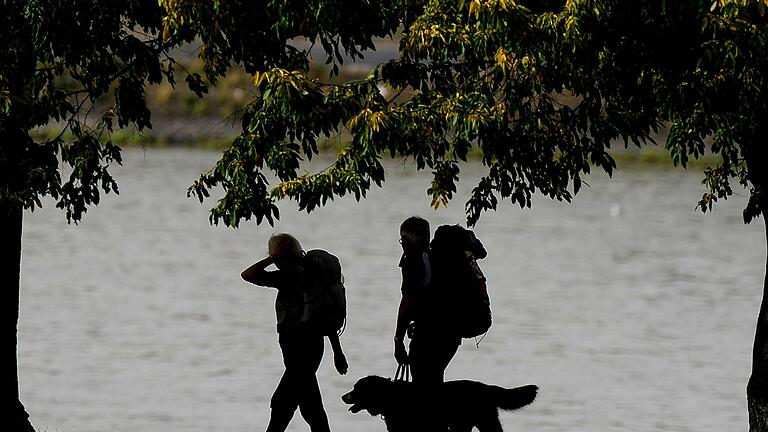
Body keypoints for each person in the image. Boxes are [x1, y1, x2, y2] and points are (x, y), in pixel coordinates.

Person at [241, 233, 348, 432]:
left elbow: (248, 275)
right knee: (308, 402)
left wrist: (271, 258)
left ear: (280, 256)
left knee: (284, 402)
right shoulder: (313, 272)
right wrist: (337, 352)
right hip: (315, 346)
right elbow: (324, 315)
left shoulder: (287, 276)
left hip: (296, 348)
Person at [393, 216, 461, 385]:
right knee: (433, 387)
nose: (402, 244)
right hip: (451, 335)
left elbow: (408, 302)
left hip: (430, 337)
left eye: (402, 240)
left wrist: (398, 340)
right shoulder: (437, 257)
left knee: (423, 391)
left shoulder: (412, 260)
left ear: (408, 240)